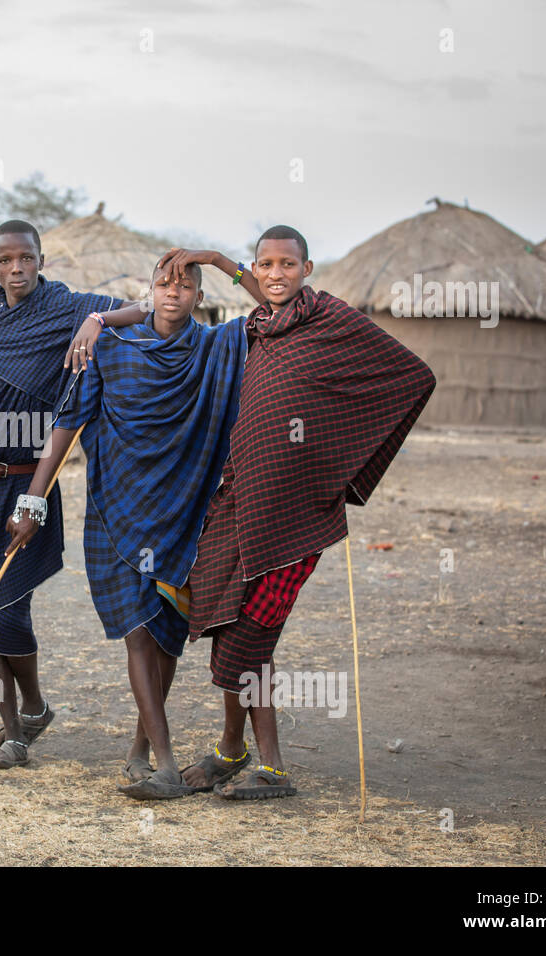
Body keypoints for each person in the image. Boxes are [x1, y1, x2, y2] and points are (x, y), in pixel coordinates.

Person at [166, 228, 436, 799]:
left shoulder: (331, 320)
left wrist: (343, 467)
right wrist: (215, 260)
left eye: (287, 264)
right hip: (243, 503)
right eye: (265, 265)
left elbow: (413, 374)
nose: (275, 273)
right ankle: (230, 751)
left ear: (307, 269)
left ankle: (272, 770)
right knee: (225, 628)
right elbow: (255, 294)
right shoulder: (261, 327)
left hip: (295, 518)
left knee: (250, 640)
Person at [7, 257, 247, 798]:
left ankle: (141, 748)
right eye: (164, 284)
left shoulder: (216, 348)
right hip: (118, 510)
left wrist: (219, 260)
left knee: (166, 637)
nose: (174, 293)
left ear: (200, 296)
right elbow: (67, 424)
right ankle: (165, 762)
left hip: (186, 513)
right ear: (149, 291)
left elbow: (280, 307)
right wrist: (33, 498)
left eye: (186, 286)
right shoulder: (110, 351)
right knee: (138, 632)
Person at [0, 219, 143, 769]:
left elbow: (145, 308)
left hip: (24, 480)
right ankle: (28, 710)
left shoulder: (69, 306)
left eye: (25, 258)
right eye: (5, 260)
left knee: (3, 610)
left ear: (41, 259)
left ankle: (17, 733)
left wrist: (98, 321)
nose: (16, 269)